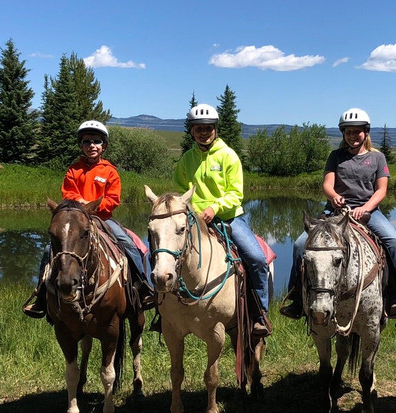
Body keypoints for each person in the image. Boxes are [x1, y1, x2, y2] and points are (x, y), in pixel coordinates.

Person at [279, 108, 396, 319]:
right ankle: (297, 297)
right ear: (343, 134)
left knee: (394, 241)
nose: (353, 136)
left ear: (366, 132)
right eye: (348, 132)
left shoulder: (377, 157)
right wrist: (334, 196)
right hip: (335, 212)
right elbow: (327, 185)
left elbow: (381, 190)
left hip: (368, 211)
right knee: (300, 244)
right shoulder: (335, 156)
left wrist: (365, 208)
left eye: (357, 131)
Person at [23, 119, 154, 318]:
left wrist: (93, 206)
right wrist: (81, 206)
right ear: (81, 145)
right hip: (76, 219)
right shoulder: (73, 170)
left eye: (96, 141)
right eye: (87, 141)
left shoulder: (110, 171)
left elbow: (113, 199)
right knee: (49, 249)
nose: (91, 145)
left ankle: (143, 287)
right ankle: (41, 295)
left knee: (129, 244)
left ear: (104, 146)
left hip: (102, 218)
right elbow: (68, 193)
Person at [173, 103, 271, 337]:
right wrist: (193, 211)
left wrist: (214, 207)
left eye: (208, 128)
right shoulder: (187, 159)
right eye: (199, 128)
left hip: (228, 219)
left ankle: (261, 314)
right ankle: (165, 310)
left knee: (257, 259)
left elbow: (236, 193)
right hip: (194, 220)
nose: (203, 132)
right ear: (192, 131)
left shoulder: (228, 156)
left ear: (215, 129)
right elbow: (180, 189)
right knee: (168, 253)